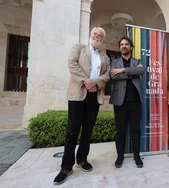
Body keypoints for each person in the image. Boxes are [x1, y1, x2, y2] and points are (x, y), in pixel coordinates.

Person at [53, 27, 110, 185]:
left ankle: (82, 160)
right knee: (72, 132)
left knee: (88, 131)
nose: (97, 37)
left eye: (100, 36)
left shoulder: (105, 57)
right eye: (95, 34)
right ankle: (66, 167)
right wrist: (86, 81)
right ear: (91, 35)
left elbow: (107, 74)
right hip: (78, 95)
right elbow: (72, 64)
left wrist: (96, 83)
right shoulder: (79, 48)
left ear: (102, 40)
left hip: (94, 96)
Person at [109, 36, 144, 168]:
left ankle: (137, 156)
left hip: (135, 101)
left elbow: (141, 70)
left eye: (126, 44)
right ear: (120, 47)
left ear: (131, 47)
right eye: (122, 44)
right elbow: (113, 75)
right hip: (120, 102)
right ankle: (120, 156)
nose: (124, 46)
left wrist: (123, 70)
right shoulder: (114, 62)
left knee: (136, 130)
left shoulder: (137, 61)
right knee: (120, 130)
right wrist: (132, 73)